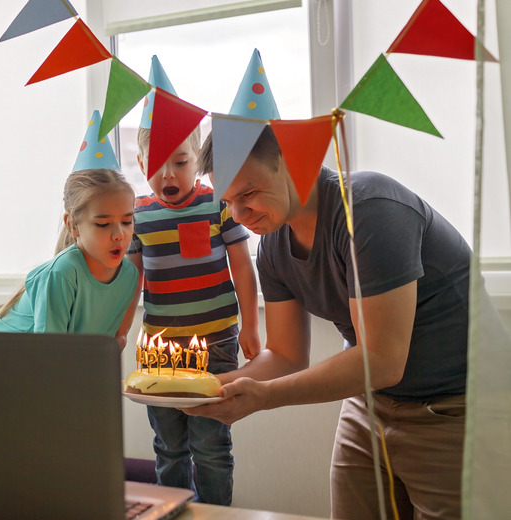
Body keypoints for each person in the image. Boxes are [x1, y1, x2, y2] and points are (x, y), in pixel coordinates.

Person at [188, 124, 473, 519]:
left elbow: (383, 359)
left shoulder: (369, 210)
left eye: (248, 194)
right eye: (228, 201)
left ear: (291, 164)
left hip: (452, 409)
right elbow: (285, 355)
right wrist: (202, 389)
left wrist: (265, 398)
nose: (238, 215)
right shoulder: (272, 246)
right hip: (369, 407)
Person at [125, 56, 261, 506]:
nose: (169, 174)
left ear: (197, 160)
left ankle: (216, 514)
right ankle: (173, 513)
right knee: (169, 449)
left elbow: (242, 266)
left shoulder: (218, 204)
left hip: (217, 345)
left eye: (181, 162)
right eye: (159, 163)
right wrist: (123, 330)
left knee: (211, 449)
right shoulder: (139, 216)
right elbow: (133, 278)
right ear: (141, 160)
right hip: (158, 349)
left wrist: (252, 326)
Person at [0, 111, 139, 346]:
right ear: (73, 225)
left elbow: (105, 349)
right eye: (103, 224)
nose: (119, 234)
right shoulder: (62, 274)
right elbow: (52, 358)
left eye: (127, 221)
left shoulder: (128, 276)